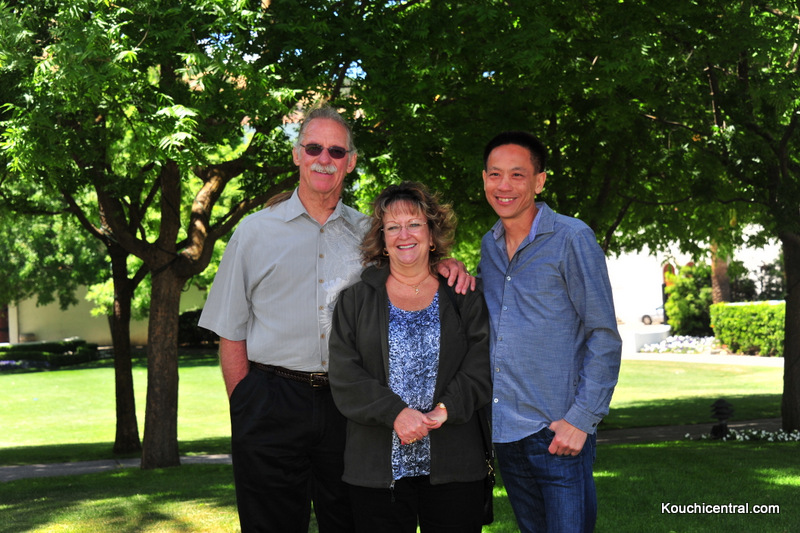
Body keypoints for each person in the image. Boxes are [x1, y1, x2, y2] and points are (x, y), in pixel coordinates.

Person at [198, 107, 473, 533]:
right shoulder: (253, 233)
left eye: (336, 150)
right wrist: (246, 405)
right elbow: (230, 332)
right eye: (313, 148)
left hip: (349, 408)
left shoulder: (371, 236)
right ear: (297, 155)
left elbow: (412, 265)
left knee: (349, 523)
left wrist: (444, 264)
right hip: (272, 401)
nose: (324, 159)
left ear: (351, 161)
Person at [478, 131, 622, 533]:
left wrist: (581, 419)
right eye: (495, 174)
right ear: (484, 179)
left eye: (517, 175)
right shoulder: (489, 246)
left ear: (539, 181)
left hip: (559, 434)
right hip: (506, 434)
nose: (504, 185)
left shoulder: (572, 238)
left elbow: (603, 335)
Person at [328, 181, 491, 533]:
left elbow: (481, 365)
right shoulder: (354, 301)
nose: (404, 234)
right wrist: (396, 413)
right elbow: (344, 376)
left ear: (432, 234)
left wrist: (444, 410)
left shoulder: (463, 295)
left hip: (455, 465)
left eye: (415, 224)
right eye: (392, 227)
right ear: (382, 239)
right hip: (376, 472)